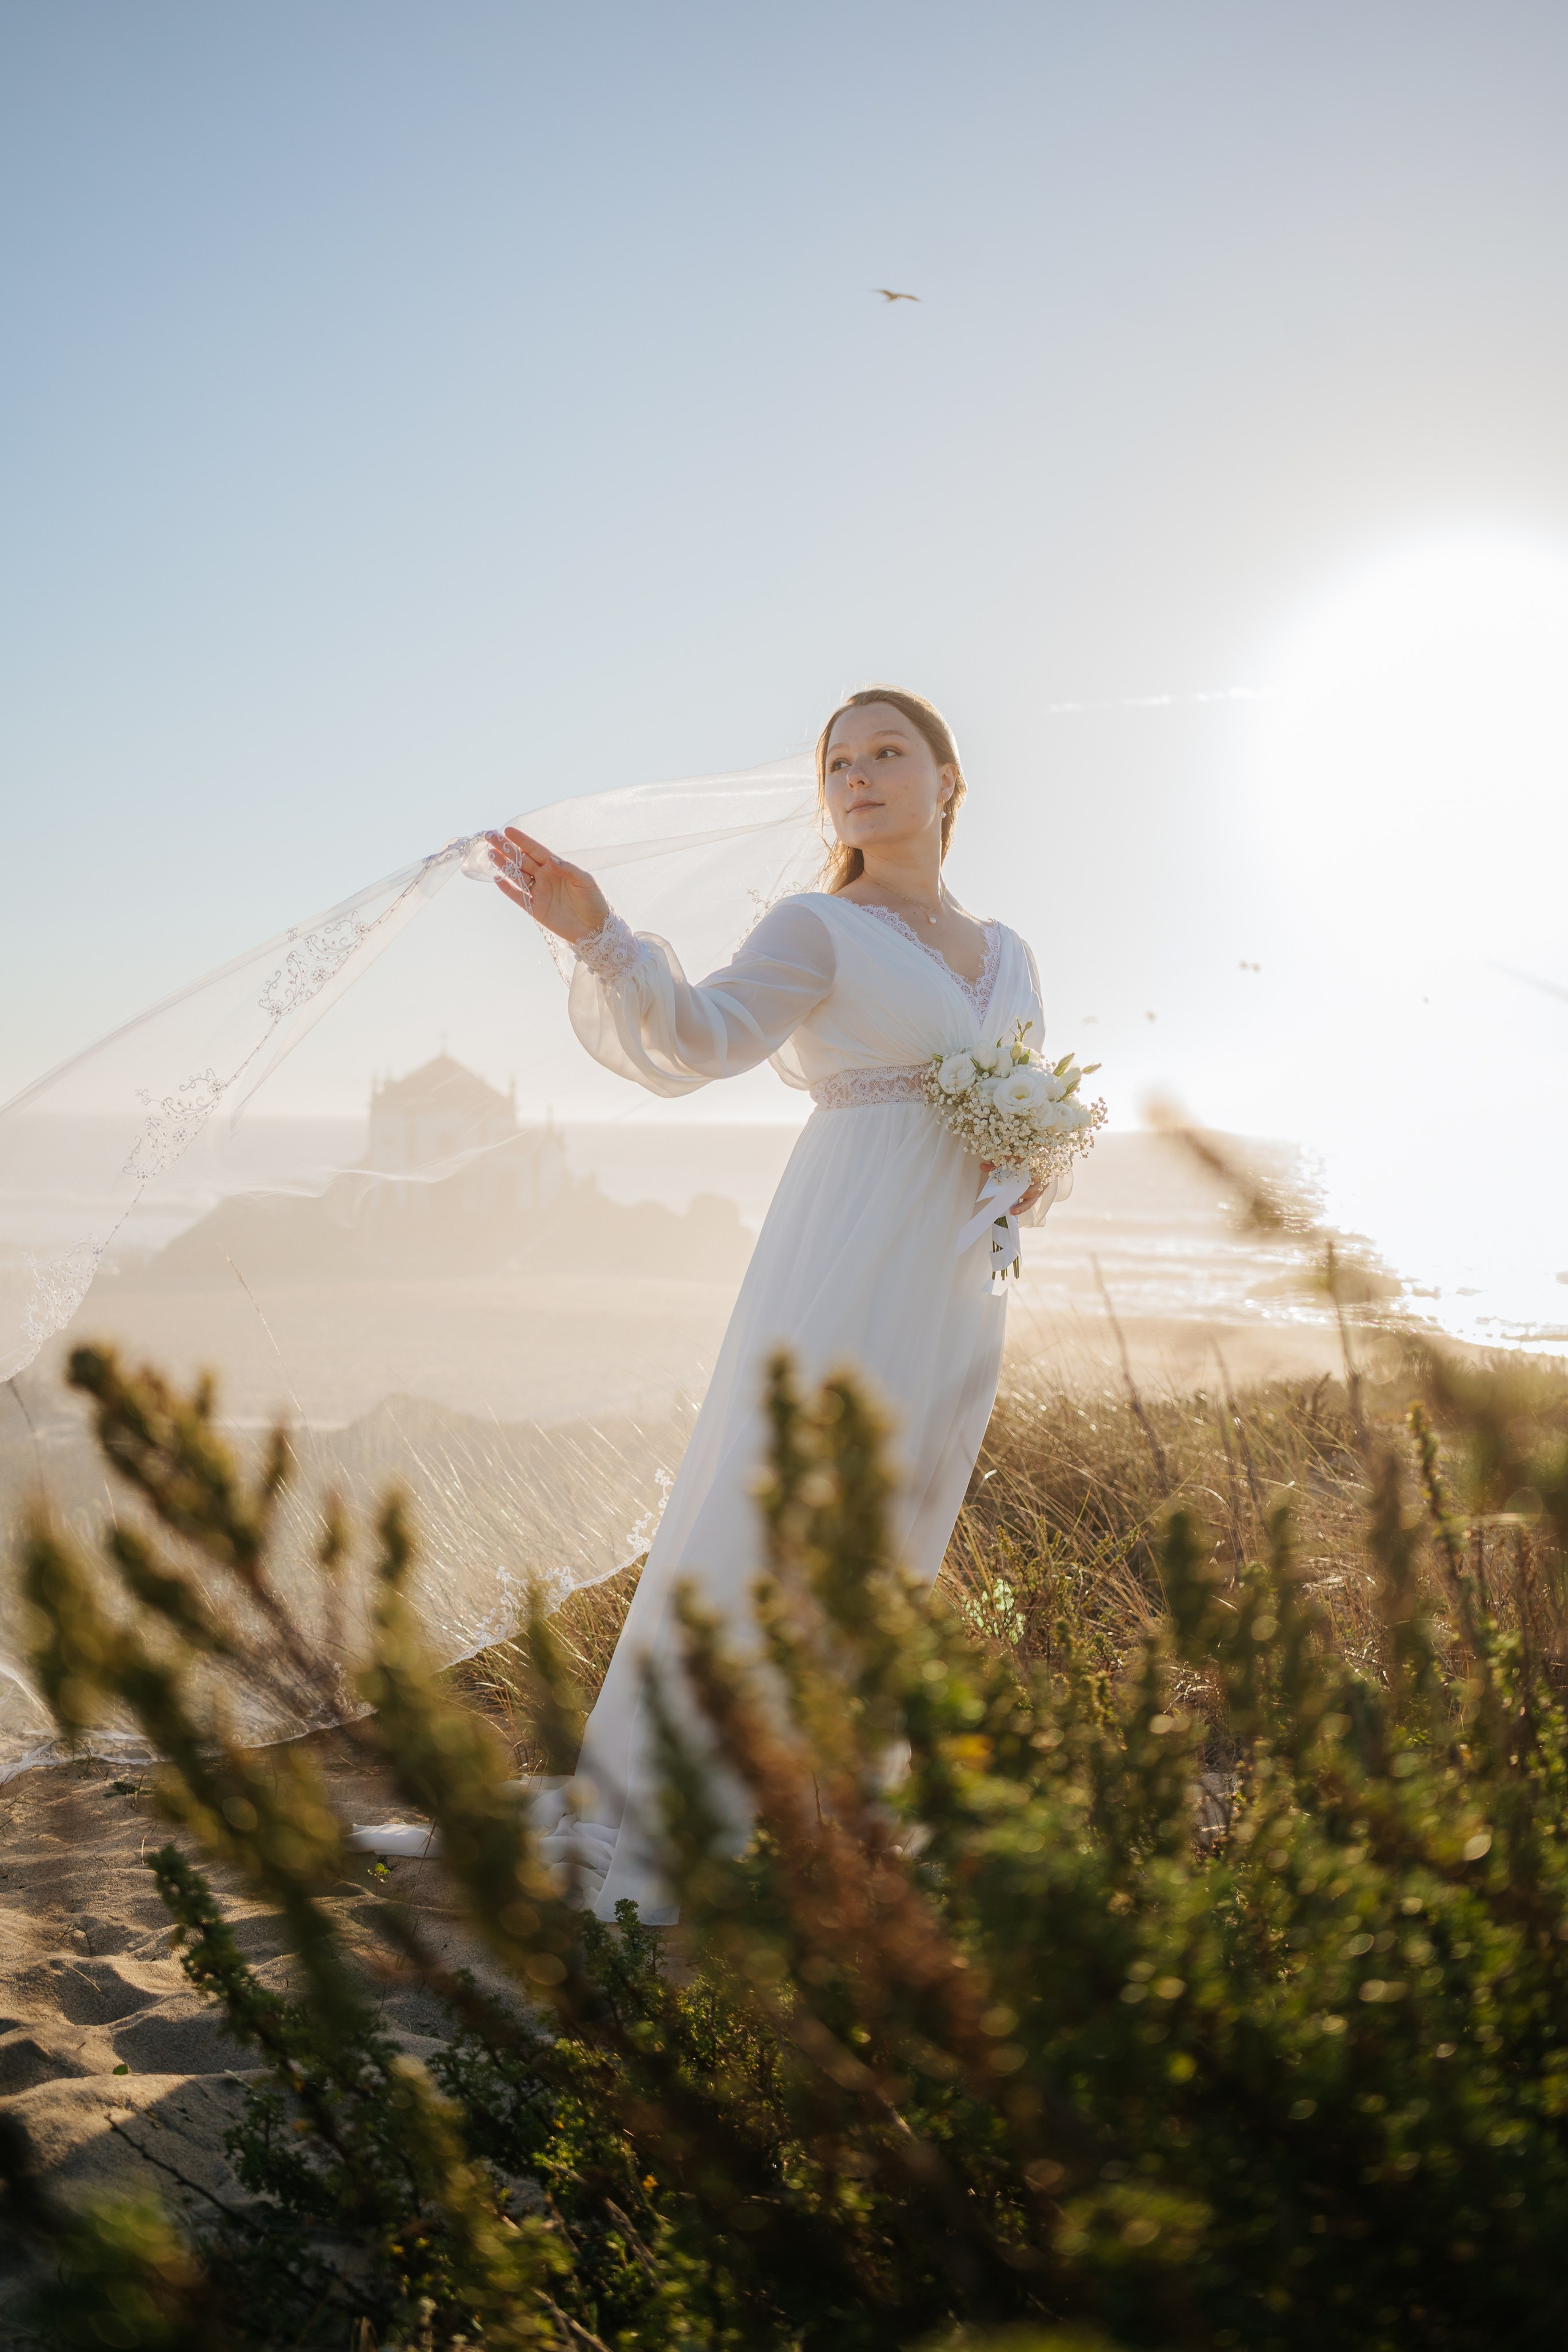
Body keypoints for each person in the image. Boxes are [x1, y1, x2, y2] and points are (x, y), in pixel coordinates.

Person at [487, 687, 1060, 1922]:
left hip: (957, 1277)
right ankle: (688, 1802)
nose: (856, 775)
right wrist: (597, 935)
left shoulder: (1009, 951)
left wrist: (1031, 1163)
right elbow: (697, 1039)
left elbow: (1031, 1105)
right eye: (838, 761)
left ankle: (822, 1805)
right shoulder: (817, 925)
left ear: (946, 780)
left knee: (894, 1520)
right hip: (845, 1250)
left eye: (885, 753)